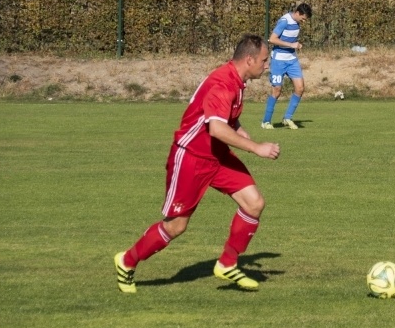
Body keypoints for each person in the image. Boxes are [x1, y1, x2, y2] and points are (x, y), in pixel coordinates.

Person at [113, 34, 280, 293]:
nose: (267, 65)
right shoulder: (223, 84)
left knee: (254, 203)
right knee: (176, 225)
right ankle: (127, 261)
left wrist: (240, 129)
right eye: (264, 60)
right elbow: (216, 129)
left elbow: (224, 120)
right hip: (191, 158)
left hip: (217, 156)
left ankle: (227, 264)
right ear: (249, 60)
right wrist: (256, 147)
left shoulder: (236, 80)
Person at [261, 2, 313, 130]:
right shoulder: (284, 21)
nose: (304, 21)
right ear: (298, 13)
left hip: (292, 60)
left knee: (300, 88)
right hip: (279, 60)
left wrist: (296, 45)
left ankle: (287, 118)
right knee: (277, 91)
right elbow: (272, 39)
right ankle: (266, 121)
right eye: (303, 18)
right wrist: (292, 45)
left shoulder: (296, 23)